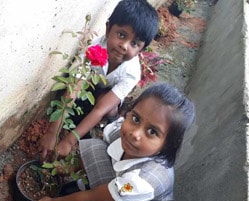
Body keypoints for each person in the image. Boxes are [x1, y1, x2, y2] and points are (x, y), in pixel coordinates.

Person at [34, 83, 195, 201]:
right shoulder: (123, 131)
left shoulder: (144, 180)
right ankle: (82, 194)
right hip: (121, 183)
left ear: (168, 144)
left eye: (152, 131)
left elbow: (93, 197)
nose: (135, 133)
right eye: (136, 119)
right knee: (95, 147)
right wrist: (67, 168)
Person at [39, 0, 159, 160]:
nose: (124, 46)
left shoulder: (132, 73)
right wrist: (52, 132)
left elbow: (100, 109)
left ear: (141, 50)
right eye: (121, 35)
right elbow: (73, 89)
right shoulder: (93, 49)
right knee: (76, 97)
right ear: (108, 29)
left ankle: (107, 122)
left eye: (134, 43)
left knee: (107, 109)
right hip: (88, 86)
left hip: (106, 93)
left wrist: (69, 140)